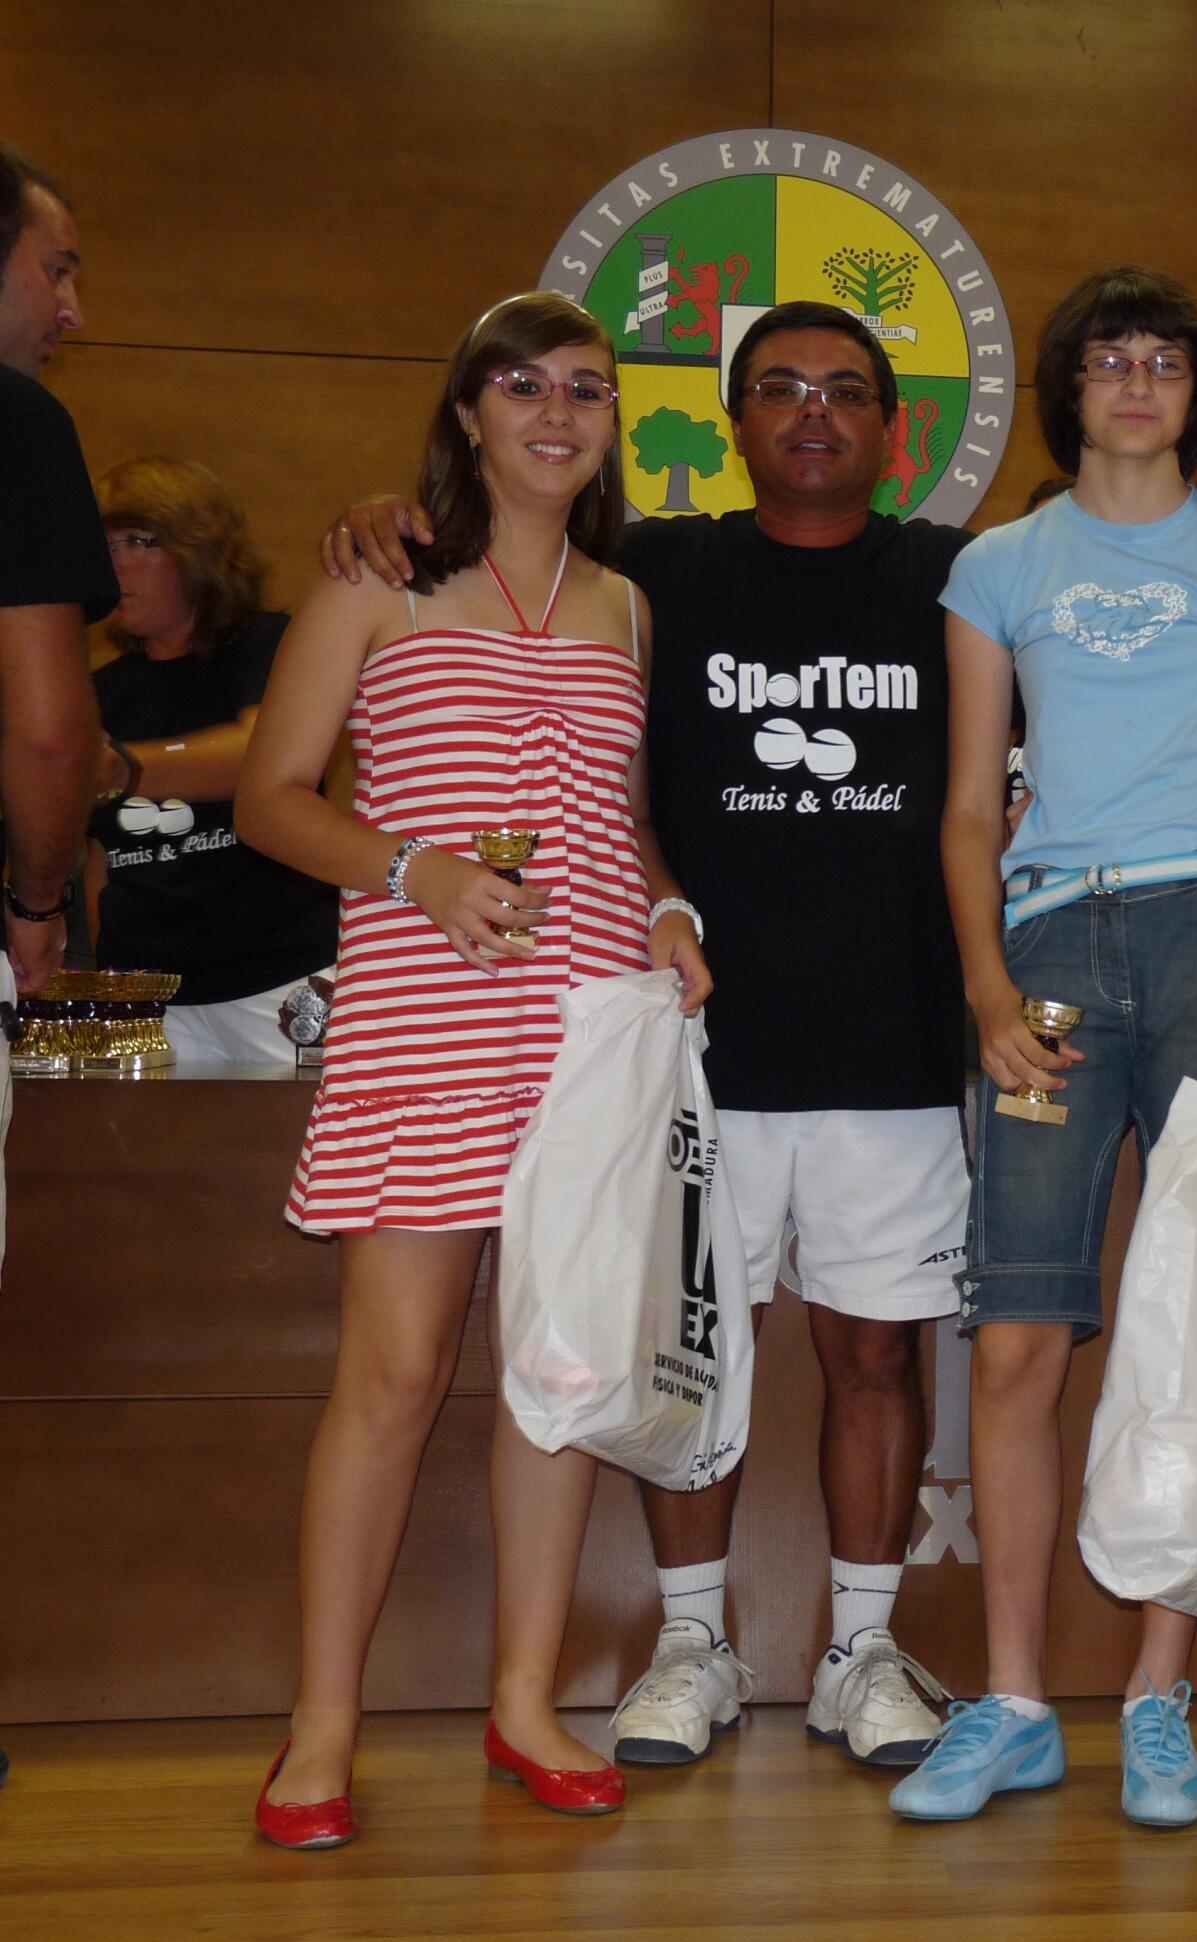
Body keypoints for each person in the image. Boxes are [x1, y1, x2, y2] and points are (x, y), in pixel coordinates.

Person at [323, 303, 1197, 1773]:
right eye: (779, 388)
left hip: (894, 1045)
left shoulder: (962, 572)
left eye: (845, 389)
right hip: (690, 1045)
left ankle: (863, 1648)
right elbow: (509, 545)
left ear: (894, 427)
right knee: (688, 1357)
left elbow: (1111, 558)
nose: (814, 412)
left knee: (877, 1363)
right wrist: (383, 514)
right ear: (734, 424)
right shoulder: (653, 572)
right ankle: (691, 1643)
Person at [237, 291, 712, 1848]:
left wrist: (667, 910)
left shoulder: (626, 604)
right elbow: (271, 797)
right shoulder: (376, 577)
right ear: (467, 411)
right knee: (389, 1377)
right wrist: (414, 868)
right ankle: (323, 1724)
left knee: (557, 1375)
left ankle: (523, 1698)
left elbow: (623, 823)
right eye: (521, 385)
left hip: (589, 1036)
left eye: (585, 387)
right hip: (423, 1020)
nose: (555, 413)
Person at [902, 265, 1197, 1829]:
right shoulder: (997, 565)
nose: (1137, 381)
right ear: (1067, 387)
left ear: (1195, 391)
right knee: (1020, 1329)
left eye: (1164, 359)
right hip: (1050, 950)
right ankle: (1017, 1701)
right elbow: (966, 803)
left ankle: (1160, 1691)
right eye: (1109, 358)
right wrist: (985, 990)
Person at [0, 138, 114, 1795]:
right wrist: (37, 903)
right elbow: (42, 724)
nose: (73, 309)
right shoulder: (16, 424)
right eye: (54, 268)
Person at [84, 457, 337, 1059]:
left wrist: (125, 770)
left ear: (197, 548)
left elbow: (263, 754)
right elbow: (100, 858)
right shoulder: (99, 691)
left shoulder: (274, 645)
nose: (113, 563)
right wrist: (114, 980)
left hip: (277, 979)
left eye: (137, 541)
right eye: (103, 546)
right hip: (149, 995)